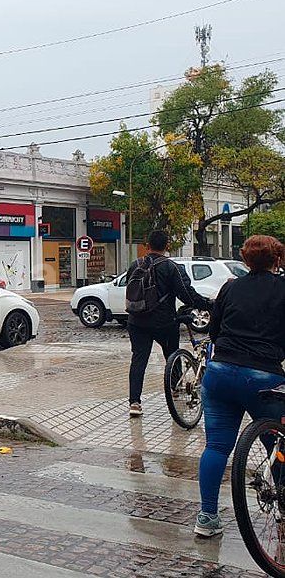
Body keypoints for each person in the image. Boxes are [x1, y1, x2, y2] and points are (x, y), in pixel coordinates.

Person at [195, 235, 285, 537]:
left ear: (245, 260)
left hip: (220, 373)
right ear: (277, 259)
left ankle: (207, 517)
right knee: (278, 444)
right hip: (264, 378)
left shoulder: (230, 287)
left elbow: (214, 330)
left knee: (216, 447)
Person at [125, 230, 213, 417]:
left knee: (138, 360)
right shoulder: (171, 267)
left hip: (136, 320)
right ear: (167, 246)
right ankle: (175, 388)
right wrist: (208, 305)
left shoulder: (135, 264)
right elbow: (186, 294)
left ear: (147, 245)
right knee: (172, 354)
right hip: (163, 322)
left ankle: (134, 403)